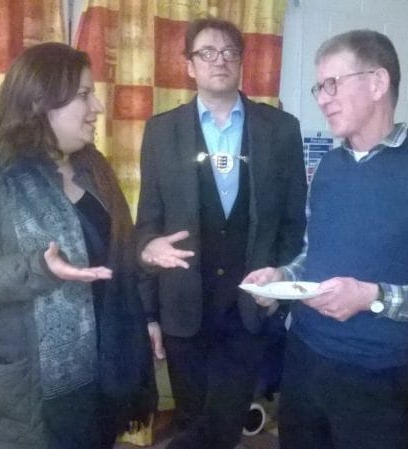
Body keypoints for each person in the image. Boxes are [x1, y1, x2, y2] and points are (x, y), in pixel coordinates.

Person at [243, 29, 408, 449]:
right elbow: (314, 254)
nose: (322, 98)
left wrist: (373, 296)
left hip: (379, 377)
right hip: (304, 360)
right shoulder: (327, 167)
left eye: (332, 83)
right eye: (319, 87)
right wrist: (282, 278)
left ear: (377, 82)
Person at [0, 42, 155, 449]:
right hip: (17, 394)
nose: (97, 107)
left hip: (99, 380)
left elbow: (109, 258)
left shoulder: (93, 168)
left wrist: (145, 252)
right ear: (39, 101)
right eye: (84, 95)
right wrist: (36, 269)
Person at [134, 17, 307, 449]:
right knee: (192, 417)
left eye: (230, 52)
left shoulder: (280, 129)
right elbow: (148, 224)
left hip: (250, 306)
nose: (220, 60)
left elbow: (294, 222)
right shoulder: (161, 131)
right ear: (189, 65)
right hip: (182, 306)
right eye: (207, 52)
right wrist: (149, 312)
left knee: (225, 422)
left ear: (242, 61)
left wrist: (282, 287)